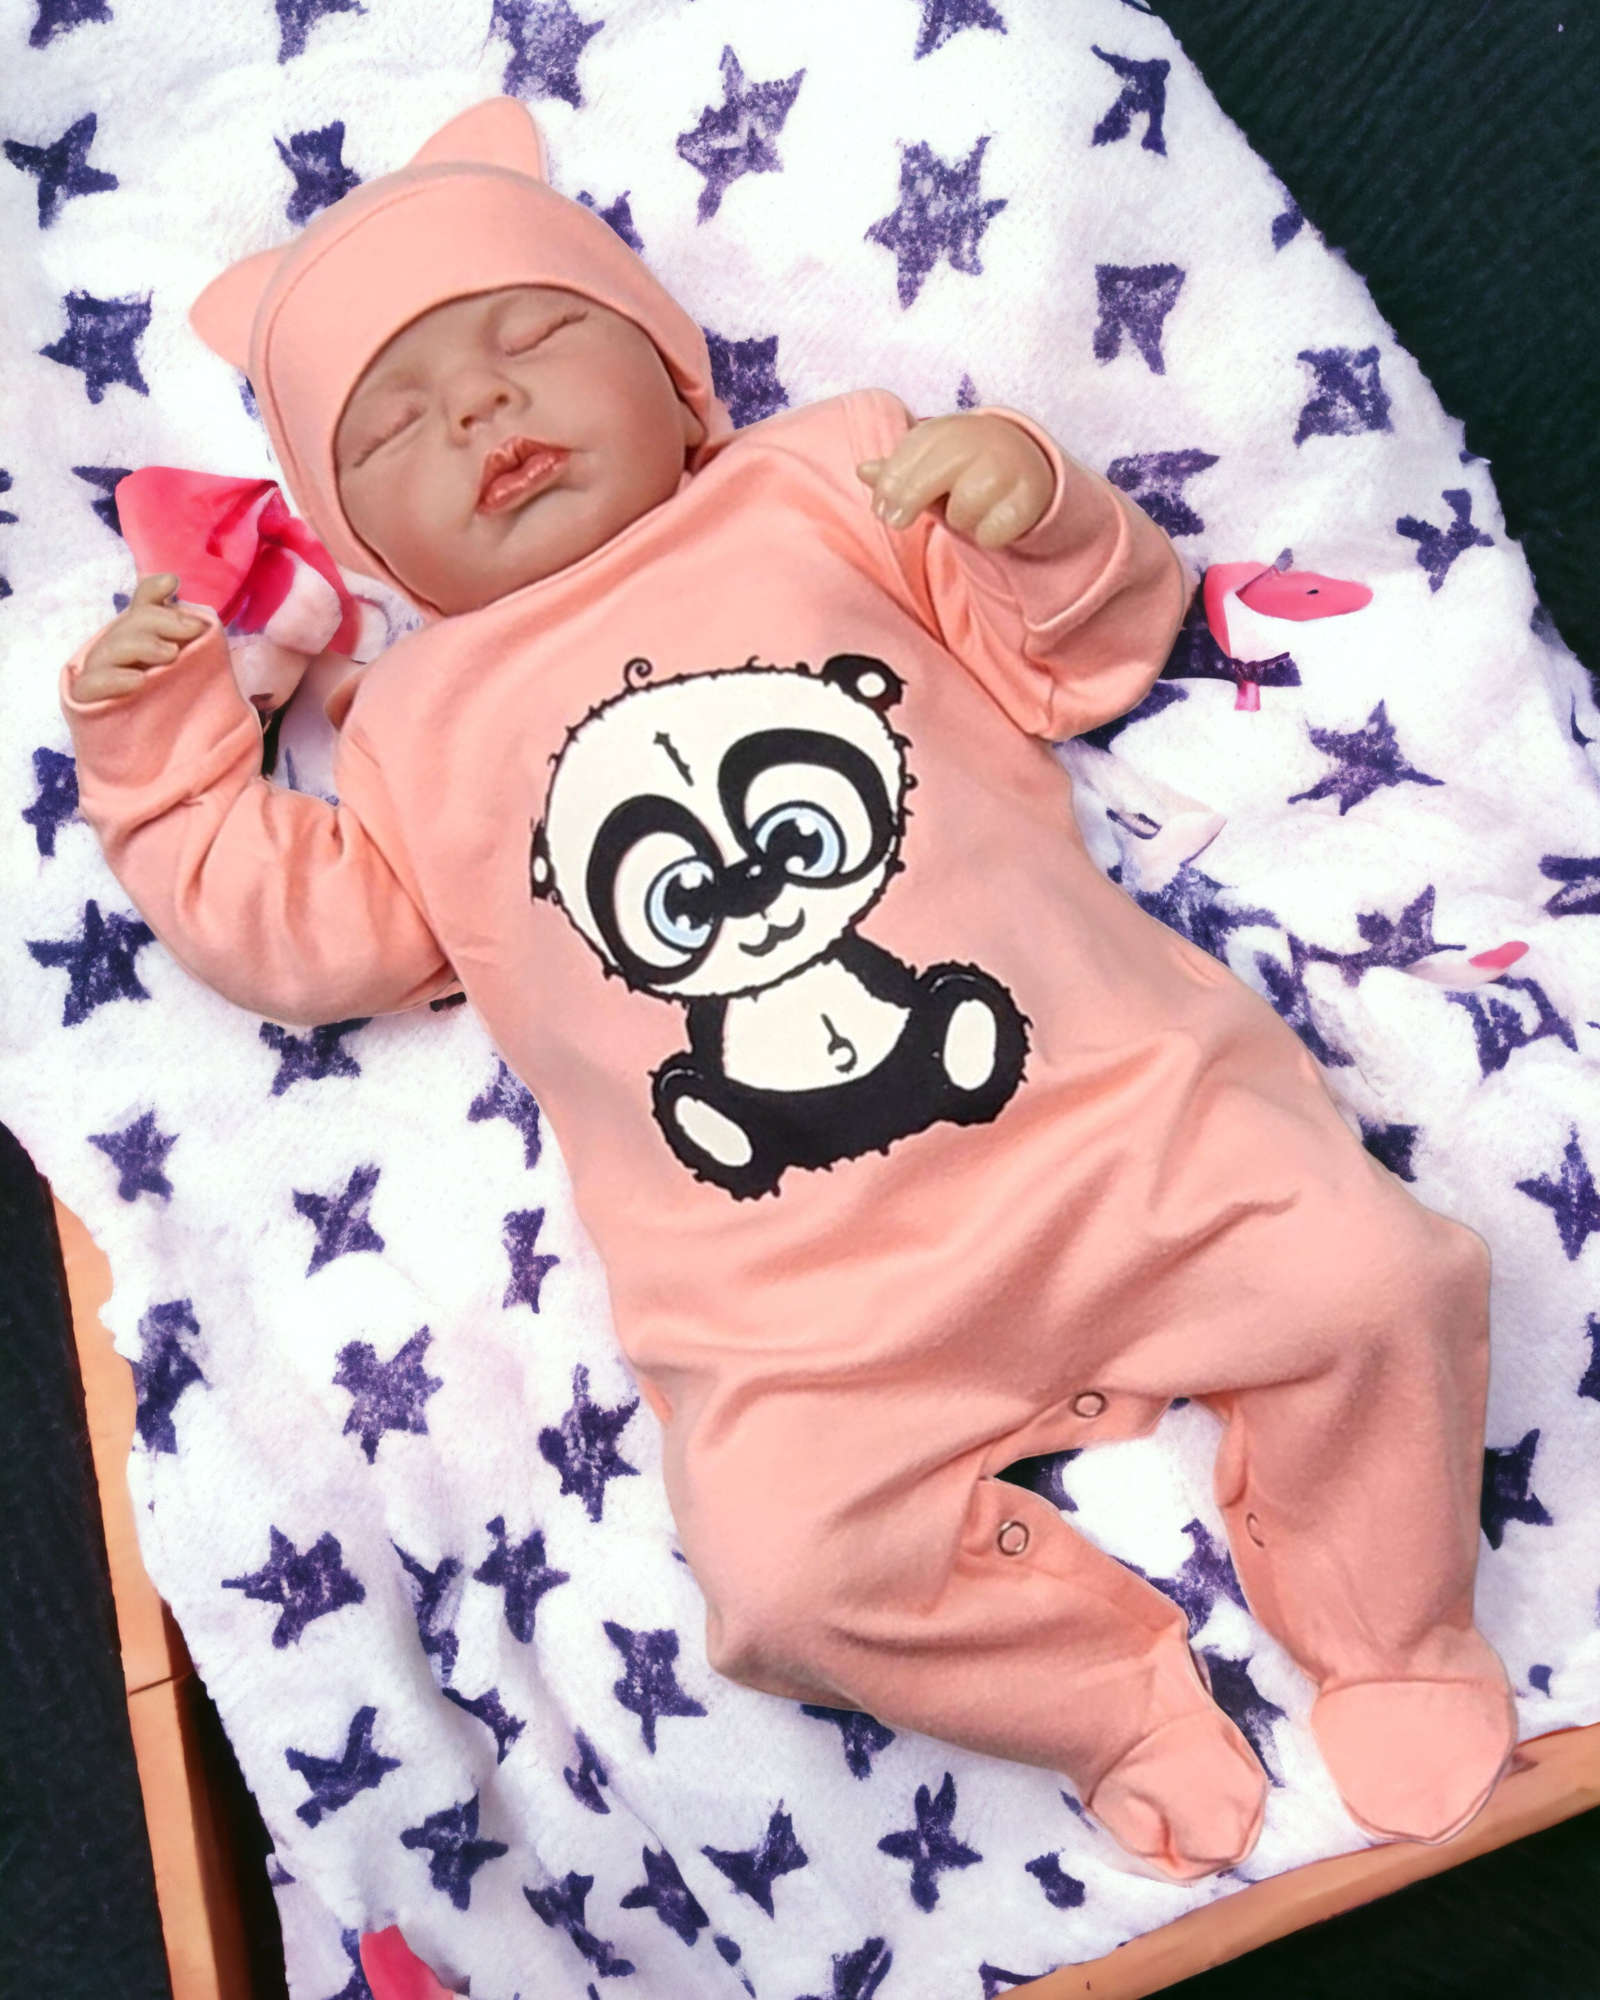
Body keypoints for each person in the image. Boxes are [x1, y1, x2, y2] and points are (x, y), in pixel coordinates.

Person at [62, 96, 1515, 1882]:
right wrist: (158, 760)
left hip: (1131, 1133)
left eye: (531, 338)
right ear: (360, 548)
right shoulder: (411, 728)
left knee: (1381, 1287)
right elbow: (302, 941)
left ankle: (1385, 1626)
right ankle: (1110, 1699)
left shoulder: (824, 482)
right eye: (394, 426)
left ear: (678, 379)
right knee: (785, 1581)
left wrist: (1033, 508)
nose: (483, 414)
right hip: (795, 1313)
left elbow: (1088, 654)